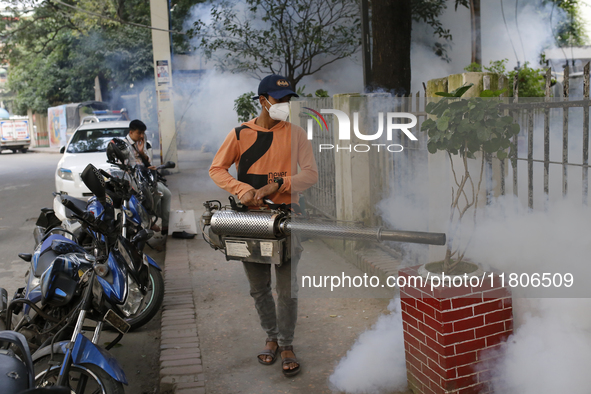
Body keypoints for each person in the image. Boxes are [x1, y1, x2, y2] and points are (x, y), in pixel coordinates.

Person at [209, 74, 318, 377]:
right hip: (249, 221)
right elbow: (217, 168)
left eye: (287, 100)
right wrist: (241, 190)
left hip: (287, 219)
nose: (284, 105)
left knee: (287, 290)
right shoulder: (240, 134)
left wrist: (279, 184)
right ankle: (270, 336)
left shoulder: (296, 134)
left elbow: (310, 174)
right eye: (279, 100)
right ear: (263, 101)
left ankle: (286, 343)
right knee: (259, 288)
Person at [125, 119, 171, 235]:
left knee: (167, 194)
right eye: (139, 133)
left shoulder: (144, 143)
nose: (141, 136)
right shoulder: (124, 145)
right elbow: (125, 165)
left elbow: (149, 161)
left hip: (147, 178)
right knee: (155, 193)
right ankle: (149, 219)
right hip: (135, 180)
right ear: (131, 132)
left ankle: (166, 226)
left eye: (143, 133)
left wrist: (141, 153)